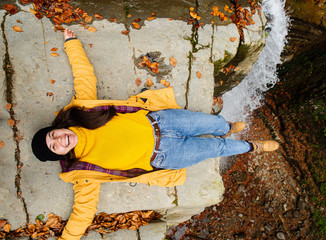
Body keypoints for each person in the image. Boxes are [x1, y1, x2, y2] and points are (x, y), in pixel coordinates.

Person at [31, 28, 279, 240]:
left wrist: (72, 43)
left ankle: (227, 128)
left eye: (52, 135)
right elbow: (82, 212)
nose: (59, 140)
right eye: (54, 146)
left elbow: (84, 76)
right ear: (60, 155)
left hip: (163, 121)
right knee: (216, 149)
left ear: (57, 127)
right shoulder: (83, 173)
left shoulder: (81, 111)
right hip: (166, 155)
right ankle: (252, 147)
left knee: (212, 123)